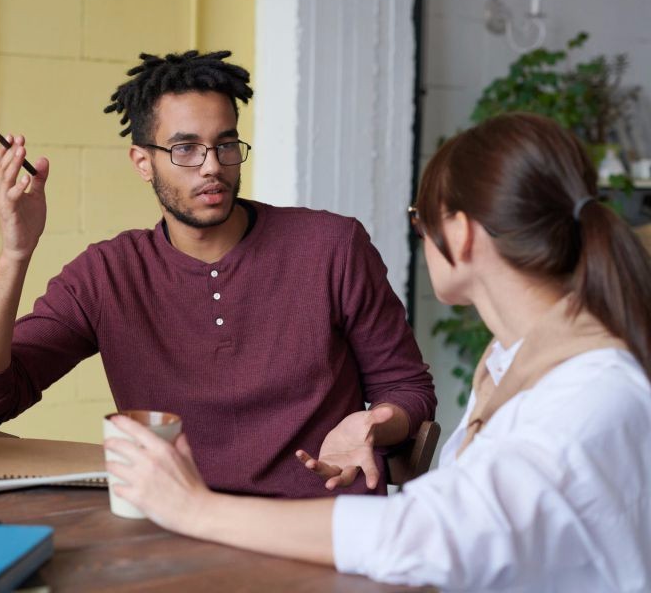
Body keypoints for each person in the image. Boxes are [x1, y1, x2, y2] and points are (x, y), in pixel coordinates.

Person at [104, 113, 651, 592]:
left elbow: (431, 533)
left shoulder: (590, 393)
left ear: (459, 235)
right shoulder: (516, 362)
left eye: (419, 219)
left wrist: (194, 508)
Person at [0, 50, 435, 498]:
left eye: (225, 145)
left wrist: (371, 426)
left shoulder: (331, 246)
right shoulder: (107, 274)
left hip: (317, 527)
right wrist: (15, 253)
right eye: (185, 149)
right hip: (176, 528)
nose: (211, 167)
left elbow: (409, 389)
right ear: (143, 162)